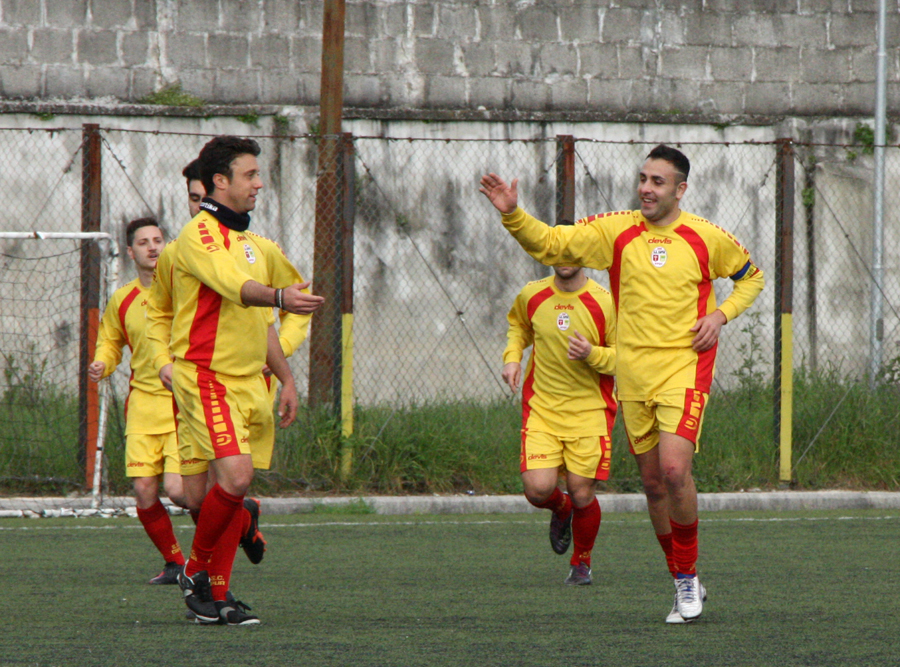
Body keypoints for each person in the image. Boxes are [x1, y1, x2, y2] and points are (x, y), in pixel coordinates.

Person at [480, 144, 765, 623]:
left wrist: (720, 313)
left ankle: (687, 579)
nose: (646, 189)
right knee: (653, 486)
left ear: (681, 189)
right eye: (643, 179)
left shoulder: (706, 237)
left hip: (684, 369)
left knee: (675, 472)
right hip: (632, 376)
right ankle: (681, 577)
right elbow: (553, 244)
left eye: (657, 182)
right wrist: (514, 215)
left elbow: (751, 279)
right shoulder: (615, 230)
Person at [145, 136, 323, 626]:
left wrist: (286, 378)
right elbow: (239, 290)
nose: (259, 182)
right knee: (229, 483)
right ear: (219, 182)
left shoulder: (253, 244)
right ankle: (196, 571)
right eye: (249, 174)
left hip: (249, 383)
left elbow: (263, 318)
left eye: (258, 174)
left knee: (215, 497)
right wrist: (279, 298)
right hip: (206, 377)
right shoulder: (197, 237)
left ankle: (215, 598)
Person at [502, 256, 616, 586]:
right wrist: (512, 358)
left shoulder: (604, 301)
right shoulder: (532, 294)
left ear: (584, 256)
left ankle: (582, 562)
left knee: (582, 493)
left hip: (590, 412)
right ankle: (560, 508)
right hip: (543, 410)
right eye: (558, 251)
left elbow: (624, 357)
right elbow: (518, 328)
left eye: (572, 251)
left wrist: (592, 354)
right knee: (538, 490)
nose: (564, 259)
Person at [88, 217, 186, 586]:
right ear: (131, 252)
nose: (152, 247)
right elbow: (110, 340)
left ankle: (241, 518)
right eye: (143, 242)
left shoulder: (183, 291)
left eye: (158, 240)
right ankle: (176, 563)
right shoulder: (123, 298)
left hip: (183, 404)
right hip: (143, 403)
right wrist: (104, 362)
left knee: (179, 490)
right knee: (144, 490)